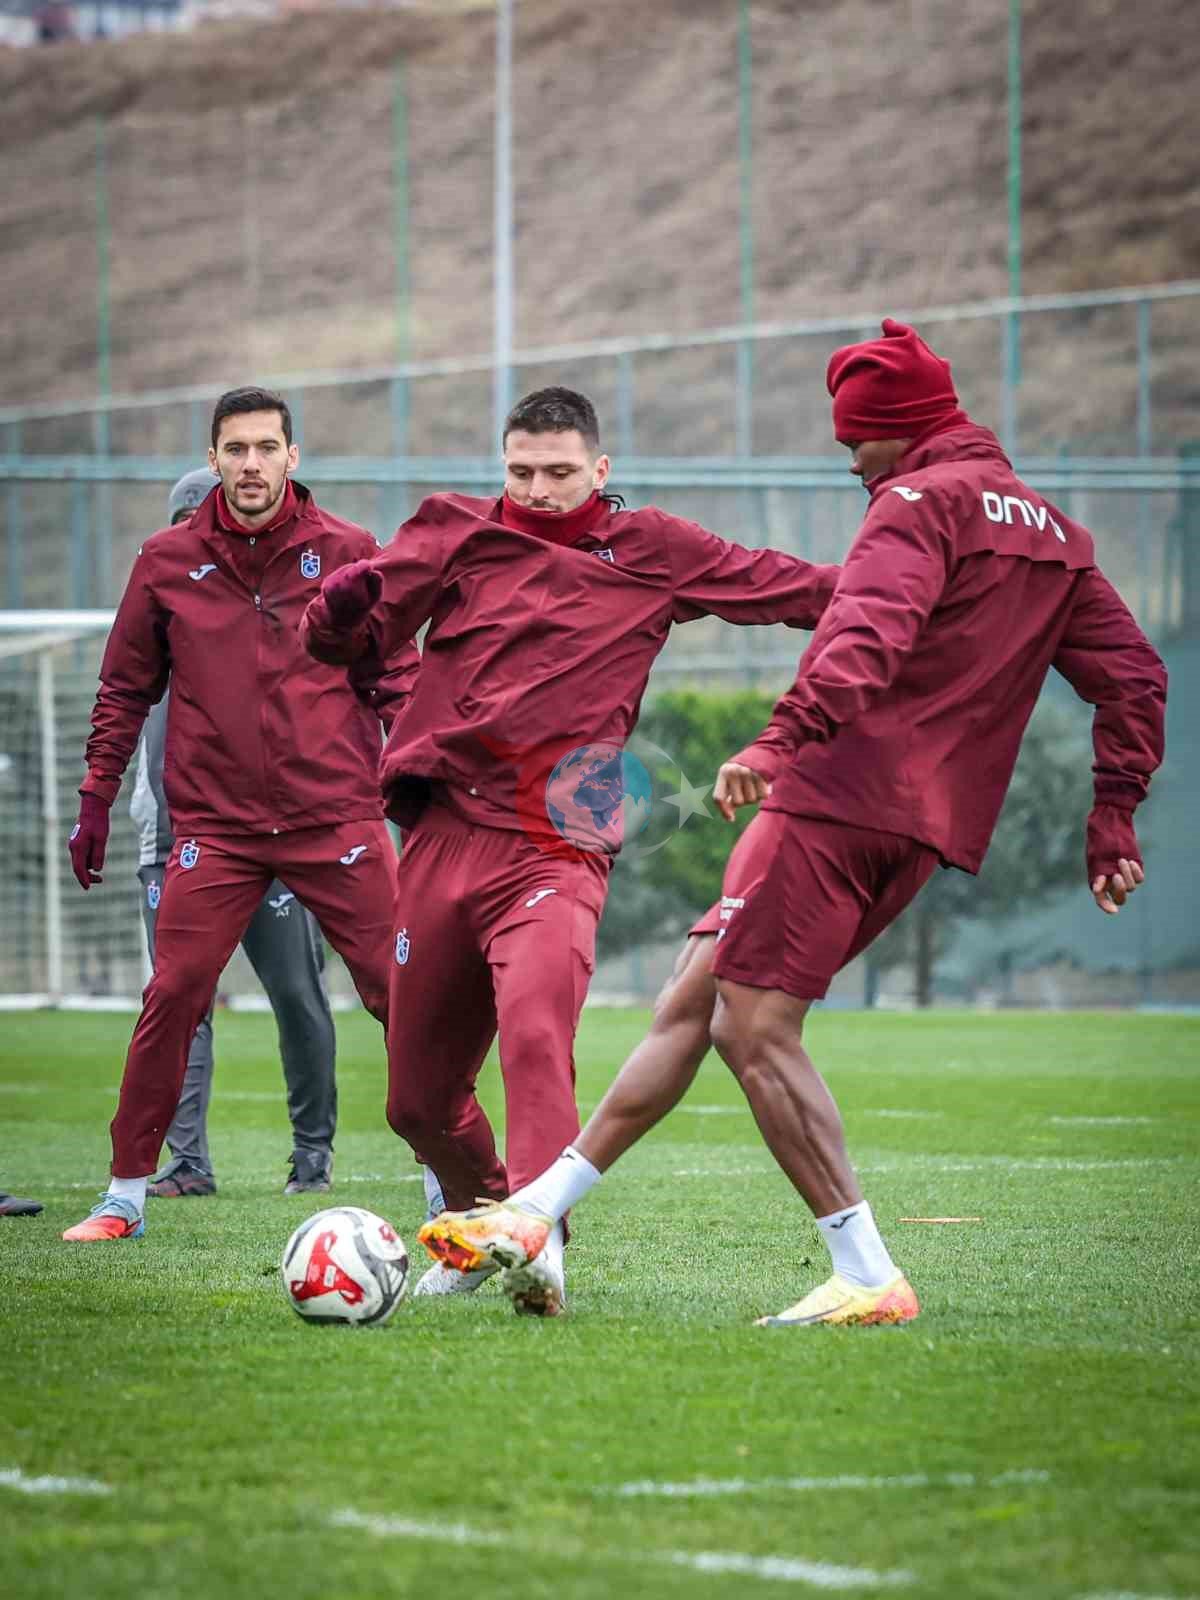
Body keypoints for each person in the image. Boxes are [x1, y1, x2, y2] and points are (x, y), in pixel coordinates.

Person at [417, 322, 1168, 1326]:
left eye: (856, 439)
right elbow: (1137, 677)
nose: (850, 459)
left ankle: (865, 1270)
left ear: (901, 429)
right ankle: (533, 1213)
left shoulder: (915, 503)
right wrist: (1113, 813)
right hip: (926, 824)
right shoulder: (1055, 534)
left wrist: (781, 739)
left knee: (752, 1025)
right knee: (692, 1002)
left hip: (837, 796)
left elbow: (866, 632)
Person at [301, 385, 840, 1314]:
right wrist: (337, 610)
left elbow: (792, 588)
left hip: (558, 843)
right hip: (445, 835)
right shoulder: (453, 531)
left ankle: (538, 1240)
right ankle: (484, 1223)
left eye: (558, 472)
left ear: (601, 469)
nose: (539, 490)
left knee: (537, 1033)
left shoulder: (654, 548)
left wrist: (918, 591)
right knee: (416, 1103)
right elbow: (338, 644)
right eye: (521, 472)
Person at [62, 386, 419, 1243]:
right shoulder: (165, 561)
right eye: (235, 449)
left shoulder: (348, 550)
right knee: (173, 994)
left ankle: (452, 1180)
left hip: (336, 818)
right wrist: (96, 798)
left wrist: (421, 783)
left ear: (292, 456)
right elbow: (123, 690)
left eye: (266, 448)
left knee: (404, 993)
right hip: (215, 831)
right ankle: (124, 1197)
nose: (251, 464)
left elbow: (397, 677)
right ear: (213, 459)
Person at [130, 468, 340, 1199]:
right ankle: (188, 1163)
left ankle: (312, 1155)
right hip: (172, 846)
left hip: (279, 839)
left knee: (298, 995)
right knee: (180, 1004)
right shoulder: (155, 607)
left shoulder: (284, 614)